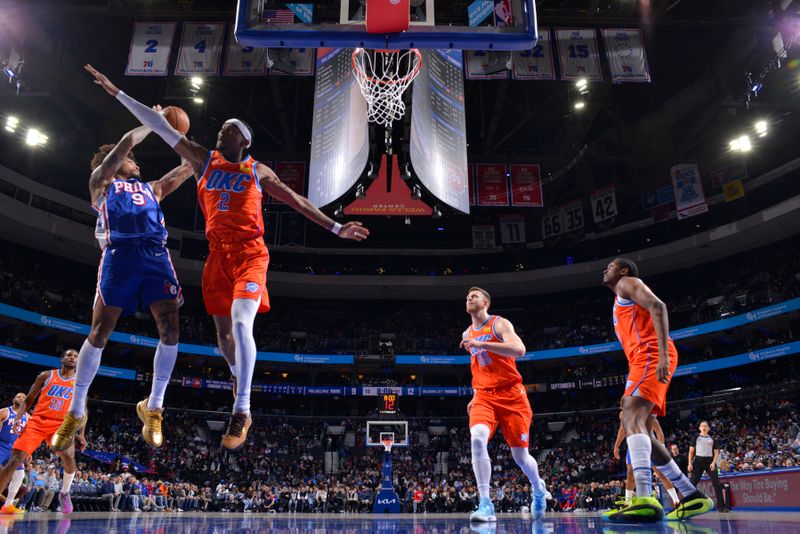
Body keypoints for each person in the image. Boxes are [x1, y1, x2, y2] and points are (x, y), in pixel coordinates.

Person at [84, 64, 370, 450]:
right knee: (223, 338)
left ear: (244, 142)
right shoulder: (203, 160)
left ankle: (242, 408)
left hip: (251, 253)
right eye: (221, 129)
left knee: (239, 323)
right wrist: (117, 92)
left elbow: (296, 200)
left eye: (229, 131)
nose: (221, 132)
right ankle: (237, 374)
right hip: (216, 256)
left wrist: (336, 228)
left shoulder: (257, 170)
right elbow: (161, 124)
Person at [49, 125, 194, 451]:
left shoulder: (152, 188)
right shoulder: (101, 184)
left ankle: (154, 406)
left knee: (171, 330)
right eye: (132, 161)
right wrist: (154, 122)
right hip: (119, 256)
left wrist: (207, 154)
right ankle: (76, 410)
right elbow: (127, 141)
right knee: (100, 331)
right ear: (116, 162)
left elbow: (187, 168)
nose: (137, 165)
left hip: (155, 256)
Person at [602, 258, 713, 522]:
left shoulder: (628, 283)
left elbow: (658, 306)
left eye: (611, 266)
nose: (605, 269)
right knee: (644, 434)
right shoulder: (619, 299)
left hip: (650, 354)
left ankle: (643, 497)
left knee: (630, 416)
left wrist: (662, 354)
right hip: (642, 359)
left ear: (624, 271)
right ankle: (691, 494)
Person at [460, 287, 547, 522]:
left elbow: (519, 349)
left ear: (486, 302)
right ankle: (485, 504)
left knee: (520, 456)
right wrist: (475, 394)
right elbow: (480, 367)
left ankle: (538, 488)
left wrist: (482, 343)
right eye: (468, 296)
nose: (469, 298)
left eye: (475, 296)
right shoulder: (467, 333)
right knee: (477, 438)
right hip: (484, 396)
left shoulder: (499, 324)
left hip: (512, 395)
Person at [0, 350, 86, 515]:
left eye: (76, 356)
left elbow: (80, 409)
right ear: (62, 359)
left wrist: (81, 433)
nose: (72, 358)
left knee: (69, 457)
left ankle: (65, 492)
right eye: (69, 355)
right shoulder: (46, 376)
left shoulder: (80, 381)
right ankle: (5, 505)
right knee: (16, 460)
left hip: (61, 425)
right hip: (38, 421)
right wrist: (18, 418)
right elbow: (29, 398)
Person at [612, 411, 680, 508]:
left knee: (660, 473)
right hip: (633, 445)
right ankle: (628, 503)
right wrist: (616, 445)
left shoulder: (646, 412)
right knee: (630, 473)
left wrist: (661, 447)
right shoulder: (623, 414)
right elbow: (623, 429)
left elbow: (659, 431)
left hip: (649, 445)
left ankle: (676, 501)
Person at [689, 421, 729, 512]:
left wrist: (713, 463)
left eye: (705, 426)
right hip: (698, 461)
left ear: (708, 428)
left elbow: (716, 452)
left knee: (716, 484)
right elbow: (691, 451)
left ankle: (721, 507)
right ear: (699, 428)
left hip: (710, 462)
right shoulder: (696, 437)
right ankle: (689, 505)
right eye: (702, 426)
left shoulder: (712, 439)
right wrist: (690, 463)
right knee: (692, 484)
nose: (704, 427)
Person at [0, 393, 29, 514]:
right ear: (13, 399)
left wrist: (27, 450)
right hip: (2, 445)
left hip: (16, 449)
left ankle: (8, 505)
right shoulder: (5, 411)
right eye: (19, 396)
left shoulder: (28, 417)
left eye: (24, 397)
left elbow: (28, 436)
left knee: (20, 475)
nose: (21, 398)